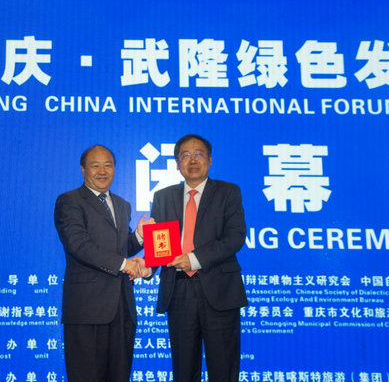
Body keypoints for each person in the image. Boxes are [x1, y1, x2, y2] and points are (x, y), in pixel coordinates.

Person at [143, 134, 247, 382]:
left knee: (223, 368)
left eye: (199, 154)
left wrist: (194, 259)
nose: (192, 160)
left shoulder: (228, 192)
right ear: (177, 163)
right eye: (185, 155)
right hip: (178, 291)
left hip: (220, 291)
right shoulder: (163, 197)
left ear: (210, 160)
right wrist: (147, 267)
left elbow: (235, 237)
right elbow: (160, 244)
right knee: (184, 369)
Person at [54, 144, 153, 382]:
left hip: (121, 307)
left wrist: (139, 236)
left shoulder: (122, 204)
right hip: (87, 309)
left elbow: (121, 249)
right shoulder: (69, 201)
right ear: (83, 170)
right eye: (95, 165)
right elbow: (79, 245)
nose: (102, 171)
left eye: (108, 165)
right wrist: (125, 264)